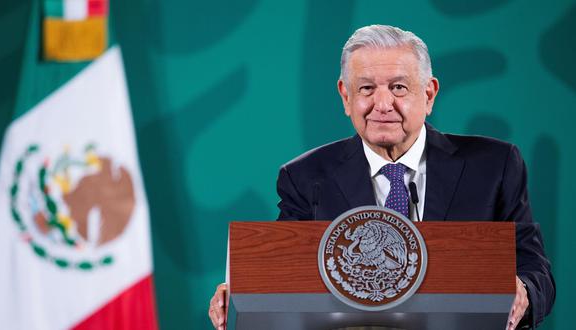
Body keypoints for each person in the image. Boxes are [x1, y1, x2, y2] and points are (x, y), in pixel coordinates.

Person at [208, 25, 555, 330]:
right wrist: (238, 295)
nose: (383, 104)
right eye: (367, 89)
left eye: (399, 87)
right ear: (346, 96)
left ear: (429, 94)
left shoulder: (494, 166)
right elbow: (281, 277)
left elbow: (535, 271)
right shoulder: (305, 177)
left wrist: (522, 291)